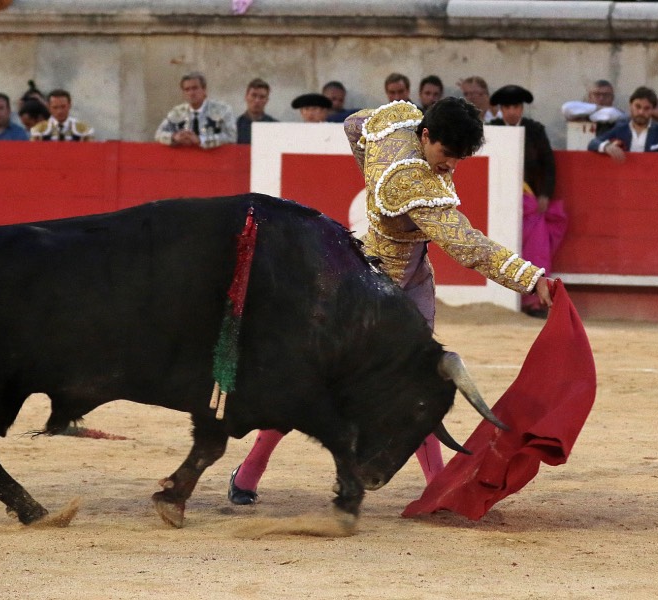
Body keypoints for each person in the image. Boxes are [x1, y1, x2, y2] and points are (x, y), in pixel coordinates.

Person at [228, 97, 553, 505]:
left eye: (459, 159)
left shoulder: (400, 120)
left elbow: (353, 124)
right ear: (427, 135)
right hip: (376, 289)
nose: (450, 166)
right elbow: (468, 247)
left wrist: (371, 174)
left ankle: (436, 485)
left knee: (419, 383)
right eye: (446, 154)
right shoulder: (411, 181)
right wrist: (530, 276)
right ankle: (251, 469)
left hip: (411, 277)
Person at [489, 85, 565, 319]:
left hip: (529, 202)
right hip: (498, 200)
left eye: (516, 106)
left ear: (522, 108)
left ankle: (534, 302)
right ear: (501, 109)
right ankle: (500, 298)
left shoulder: (534, 130)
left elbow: (549, 166)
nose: (512, 111)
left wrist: (544, 194)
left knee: (536, 250)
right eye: (508, 107)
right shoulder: (491, 130)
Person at [588, 86, 658, 161]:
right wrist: (606, 146)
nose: (641, 112)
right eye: (638, 107)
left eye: (647, 108)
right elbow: (593, 143)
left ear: (653, 110)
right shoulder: (620, 128)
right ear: (630, 105)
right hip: (624, 178)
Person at [155, 72, 237, 149]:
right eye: (187, 89)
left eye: (195, 88)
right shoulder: (177, 112)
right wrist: (174, 137)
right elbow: (158, 134)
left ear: (204, 90)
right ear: (183, 93)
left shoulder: (223, 110)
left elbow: (232, 137)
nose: (191, 93)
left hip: (214, 160)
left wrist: (201, 140)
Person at [30, 89, 94, 141]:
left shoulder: (83, 130)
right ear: (48, 107)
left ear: (69, 105)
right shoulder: (39, 130)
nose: (59, 111)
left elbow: (91, 152)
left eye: (63, 107)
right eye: (55, 107)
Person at [236, 78, 277, 144]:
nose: (257, 100)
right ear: (246, 97)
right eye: (253, 95)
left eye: (262, 97)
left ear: (267, 100)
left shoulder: (275, 127)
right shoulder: (235, 126)